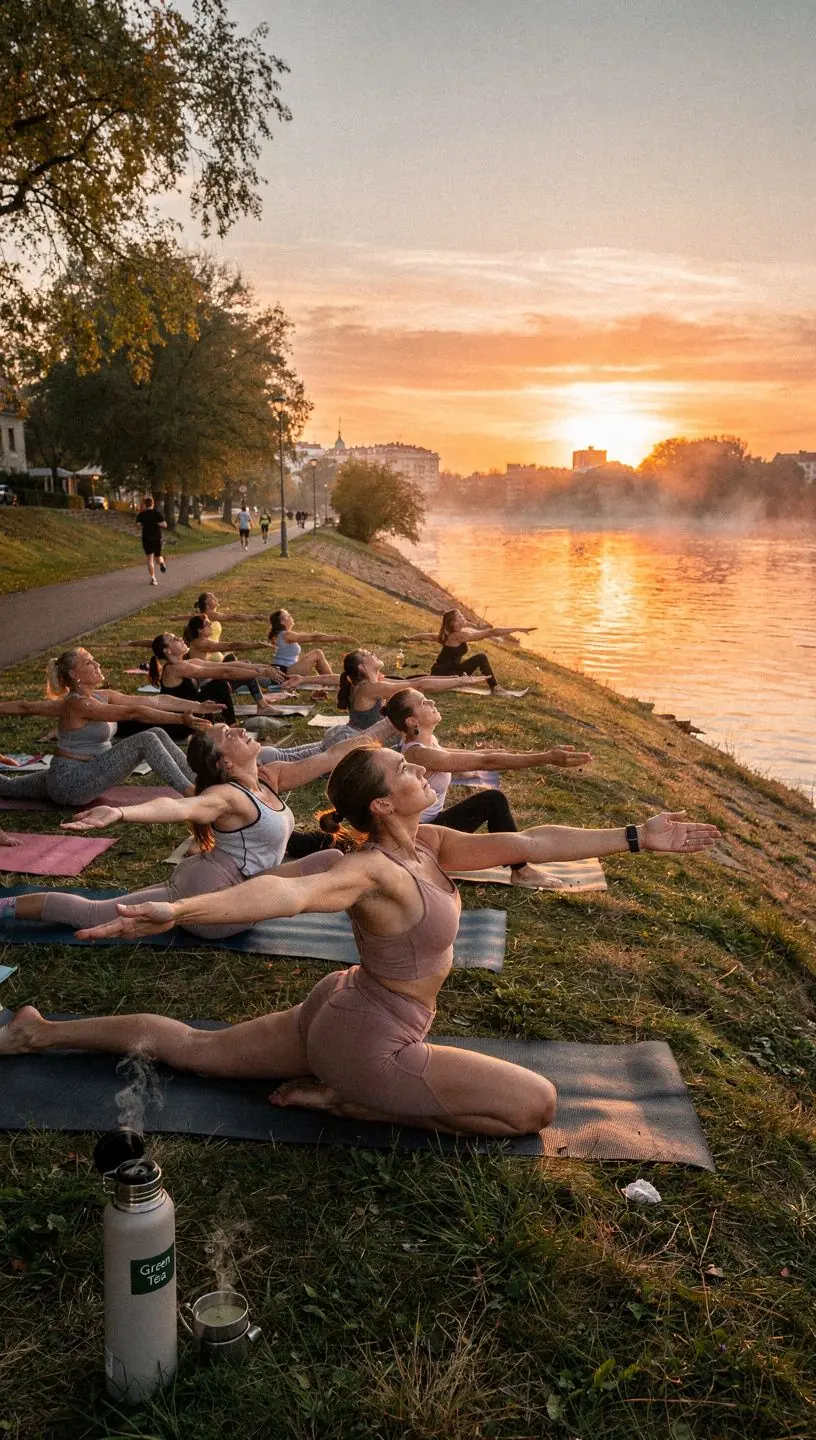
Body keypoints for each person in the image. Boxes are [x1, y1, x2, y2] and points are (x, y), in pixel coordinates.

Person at [0, 746, 720, 1138]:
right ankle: (352, 1103)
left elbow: (532, 840)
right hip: (371, 1042)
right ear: (382, 803)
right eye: (406, 771)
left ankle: (42, 1031)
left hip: (338, 1008)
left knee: (193, 1048)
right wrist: (184, 905)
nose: (420, 770)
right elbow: (290, 894)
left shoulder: (430, 844)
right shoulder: (374, 869)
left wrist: (634, 838)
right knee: (535, 1107)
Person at [3, 723, 396, 937]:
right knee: (95, 913)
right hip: (215, 899)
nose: (238, 730)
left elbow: (330, 754)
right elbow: (180, 806)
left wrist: (393, 722)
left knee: (331, 857)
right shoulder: (229, 796)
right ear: (223, 763)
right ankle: (6, 906)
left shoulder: (268, 776)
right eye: (228, 736)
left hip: (246, 887)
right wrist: (122, 815)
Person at [381, 688, 592, 883]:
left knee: (490, 799)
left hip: (431, 827)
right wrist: (546, 758)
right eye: (423, 702)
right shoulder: (417, 753)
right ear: (412, 721)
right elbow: (485, 762)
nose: (432, 701)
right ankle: (521, 871)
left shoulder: (429, 743)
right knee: (493, 800)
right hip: (419, 839)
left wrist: (542, 755)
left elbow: (480, 756)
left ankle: (517, 864)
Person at [0, 649, 197, 806]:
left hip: (71, 776)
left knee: (6, 786)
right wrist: (181, 719)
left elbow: (153, 700)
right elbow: (133, 713)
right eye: (88, 662)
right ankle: (192, 793)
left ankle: (198, 779)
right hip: (72, 782)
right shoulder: (79, 704)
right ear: (74, 674)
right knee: (147, 740)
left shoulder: (100, 696)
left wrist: (197, 706)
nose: (97, 664)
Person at [326, 648, 488, 745]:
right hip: (362, 740)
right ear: (363, 667)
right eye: (368, 654)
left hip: (358, 734)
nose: (373, 653)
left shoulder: (366, 685)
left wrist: (456, 679)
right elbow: (419, 686)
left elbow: (416, 680)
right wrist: (460, 681)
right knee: (418, 738)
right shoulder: (371, 688)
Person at [149, 634, 286, 727]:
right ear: (167, 651)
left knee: (236, 674)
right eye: (174, 639)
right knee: (219, 685)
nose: (179, 638)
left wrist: (263, 668)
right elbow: (225, 672)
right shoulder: (174, 669)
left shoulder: (189, 662)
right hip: (183, 719)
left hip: (196, 708)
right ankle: (232, 726)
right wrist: (261, 672)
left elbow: (228, 665)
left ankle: (261, 707)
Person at [406, 609, 536, 697]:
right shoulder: (458, 636)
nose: (464, 617)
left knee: (479, 658)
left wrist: (409, 638)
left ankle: (495, 687)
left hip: (442, 672)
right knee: (481, 657)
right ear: (454, 623)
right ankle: (496, 688)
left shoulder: (448, 635)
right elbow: (491, 632)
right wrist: (518, 629)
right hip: (445, 674)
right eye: (460, 617)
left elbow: (427, 636)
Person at [268, 609, 356, 678]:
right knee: (317, 653)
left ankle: (327, 684)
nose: (291, 616)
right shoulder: (286, 635)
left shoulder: (283, 635)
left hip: (285, 669)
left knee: (315, 655)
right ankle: (333, 683)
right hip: (283, 671)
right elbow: (313, 637)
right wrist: (338, 638)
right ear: (282, 622)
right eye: (288, 616)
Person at [135, 496, 167, 585]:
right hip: (156, 537)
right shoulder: (157, 513)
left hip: (146, 538)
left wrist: (144, 524)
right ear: (152, 504)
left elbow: (138, 525)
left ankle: (153, 579)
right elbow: (164, 525)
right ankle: (162, 563)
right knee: (158, 556)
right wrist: (156, 523)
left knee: (150, 558)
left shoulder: (141, 514)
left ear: (145, 505)